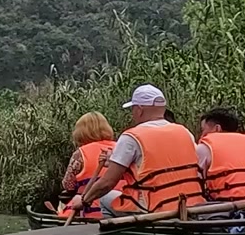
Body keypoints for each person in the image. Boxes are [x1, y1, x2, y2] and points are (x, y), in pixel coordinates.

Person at [65, 84, 205, 218]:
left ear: (139, 109)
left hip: (153, 209)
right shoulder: (185, 132)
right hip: (190, 204)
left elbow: (107, 182)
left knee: (105, 199)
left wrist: (84, 200)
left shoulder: (131, 137)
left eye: (133, 109)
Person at [197, 106, 245, 203]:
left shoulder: (205, 147)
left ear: (217, 128)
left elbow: (196, 183)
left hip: (229, 212)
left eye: (203, 130)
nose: (202, 135)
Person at [62, 112, 118, 202]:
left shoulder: (80, 154)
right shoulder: (120, 147)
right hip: (119, 204)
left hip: (89, 206)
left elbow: (68, 185)